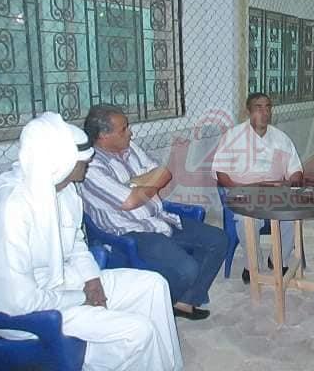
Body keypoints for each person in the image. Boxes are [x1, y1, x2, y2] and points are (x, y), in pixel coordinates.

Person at [0, 112, 183, 370]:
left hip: (67, 282)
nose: (89, 162)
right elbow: (18, 301)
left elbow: (76, 243)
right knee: (138, 332)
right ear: (61, 162)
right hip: (34, 312)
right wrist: (80, 297)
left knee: (154, 285)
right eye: (83, 160)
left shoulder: (64, 190)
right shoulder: (13, 208)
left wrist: (92, 280)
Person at [79, 104, 227, 320]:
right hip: (129, 232)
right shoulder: (91, 167)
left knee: (218, 239)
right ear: (103, 136)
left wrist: (130, 184)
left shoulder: (130, 148)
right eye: (124, 129)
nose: (130, 132)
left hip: (158, 217)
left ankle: (184, 302)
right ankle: (156, 307)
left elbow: (164, 173)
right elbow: (130, 201)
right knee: (186, 269)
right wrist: (144, 185)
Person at [212, 92, 303, 283]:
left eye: (268, 107)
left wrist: (293, 182)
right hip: (243, 191)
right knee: (246, 218)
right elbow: (221, 174)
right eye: (258, 107)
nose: (264, 112)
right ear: (248, 111)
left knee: (291, 216)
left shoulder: (281, 138)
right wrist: (240, 189)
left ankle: (278, 260)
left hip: (275, 193)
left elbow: (295, 170)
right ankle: (252, 265)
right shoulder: (233, 136)